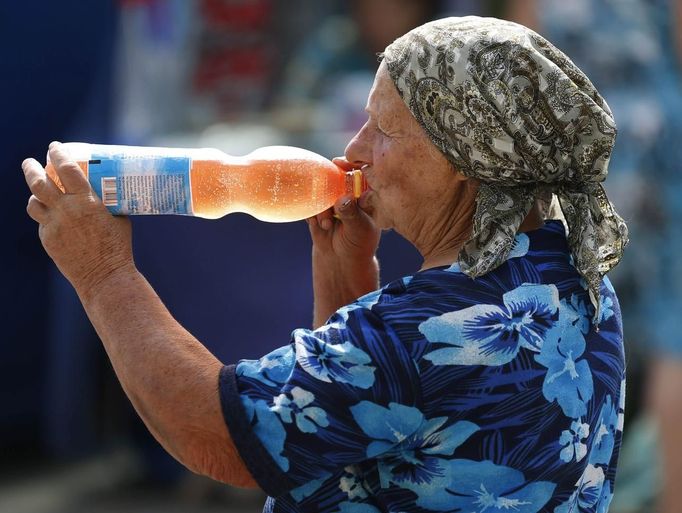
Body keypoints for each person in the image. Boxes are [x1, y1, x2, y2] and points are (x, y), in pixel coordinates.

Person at [22, 16, 629, 513]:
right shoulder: (579, 282)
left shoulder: (429, 328)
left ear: (467, 159)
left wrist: (103, 272)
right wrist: (346, 277)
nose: (357, 150)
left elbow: (220, 435)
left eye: (386, 129)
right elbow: (365, 422)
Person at [504, 3, 682, 512]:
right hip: (661, 144)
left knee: (572, 328)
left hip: (578, 151)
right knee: (676, 340)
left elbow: (521, 64)